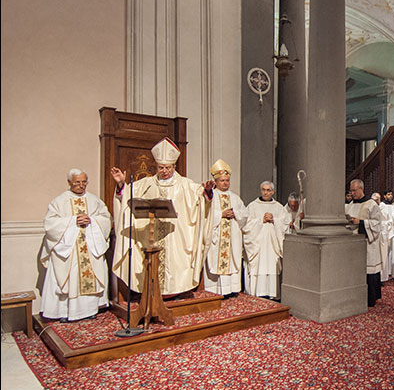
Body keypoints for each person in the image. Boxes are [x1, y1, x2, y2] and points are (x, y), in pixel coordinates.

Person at [110, 137, 213, 295]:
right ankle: (151, 294)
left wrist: (207, 192)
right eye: (161, 167)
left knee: (176, 264)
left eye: (168, 167)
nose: (164, 171)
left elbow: (202, 200)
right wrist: (121, 184)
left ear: (174, 166)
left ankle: (175, 293)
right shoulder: (146, 184)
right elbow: (127, 197)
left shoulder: (186, 185)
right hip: (151, 236)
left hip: (176, 238)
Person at [40, 169, 112, 322]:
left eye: (84, 182)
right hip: (69, 249)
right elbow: (50, 224)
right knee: (71, 276)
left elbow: (106, 219)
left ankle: (91, 309)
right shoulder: (59, 201)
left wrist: (92, 221)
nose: (81, 185)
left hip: (90, 246)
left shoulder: (95, 200)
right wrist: (72, 221)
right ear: (69, 183)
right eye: (77, 182)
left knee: (90, 275)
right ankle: (65, 312)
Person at [203, 159, 247, 298]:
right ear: (215, 181)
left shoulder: (235, 197)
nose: (225, 183)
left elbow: (245, 215)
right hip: (217, 237)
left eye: (227, 180)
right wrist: (221, 214)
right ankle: (214, 290)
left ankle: (231, 289)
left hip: (231, 237)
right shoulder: (210, 196)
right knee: (216, 261)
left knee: (232, 260)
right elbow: (204, 214)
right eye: (222, 180)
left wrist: (236, 214)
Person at [243, 181, 290, 299]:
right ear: (260, 190)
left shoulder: (279, 207)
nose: (266, 192)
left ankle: (272, 294)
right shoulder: (252, 206)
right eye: (264, 189)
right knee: (259, 267)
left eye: (268, 190)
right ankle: (257, 292)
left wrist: (274, 220)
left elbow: (285, 225)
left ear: (273, 192)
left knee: (272, 267)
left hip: (272, 246)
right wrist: (261, 220)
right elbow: (246, 226)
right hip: (258, 247)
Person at [345, 179, 383, 307]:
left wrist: (360, 222)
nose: (352, 193)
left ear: (361, 189)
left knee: (368, 270)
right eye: (351, 191)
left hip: (368, 243)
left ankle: (370, 298)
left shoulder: (371, 204)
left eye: (354, 190)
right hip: (353, 244)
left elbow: (377, 224)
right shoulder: (349, 205)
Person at [379, 189, 394, 281]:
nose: (390, 196)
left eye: (391, 194)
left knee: (393, 251)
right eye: (388, 194)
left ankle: (391, 270)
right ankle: (386, 271)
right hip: (384, 230)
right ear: (384, 196)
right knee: (385, 251)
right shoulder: (381, 205)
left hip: (393, 229)